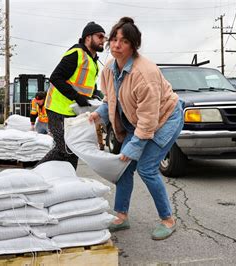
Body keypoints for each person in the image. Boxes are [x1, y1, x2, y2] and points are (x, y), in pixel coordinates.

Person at [89, 17, 184, 240]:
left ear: (133, 46)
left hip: (166, 118)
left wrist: (133, 148)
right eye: (113, 39)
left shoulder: (145, 73)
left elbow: (149, 119)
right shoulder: (109, 70)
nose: (116, 45)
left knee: (147, 168)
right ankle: (121, 217)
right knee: (124, 169)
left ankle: (168, 220)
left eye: (123, 41)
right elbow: (109, 100)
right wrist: (98, 114)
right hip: (138, 121)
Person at [37, 21, 106, 170]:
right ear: (88, 38)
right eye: (100, 36)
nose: (103, 40)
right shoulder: (76, 53)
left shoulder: (93, 61)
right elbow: (55, 77)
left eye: (104, 37)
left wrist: (95, 95)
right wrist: (77, 97)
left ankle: (68, 180)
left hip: (75, 112)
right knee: (64, 149)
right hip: (57, 109)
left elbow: (87, 85)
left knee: (73, 150)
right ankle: (35, 173)